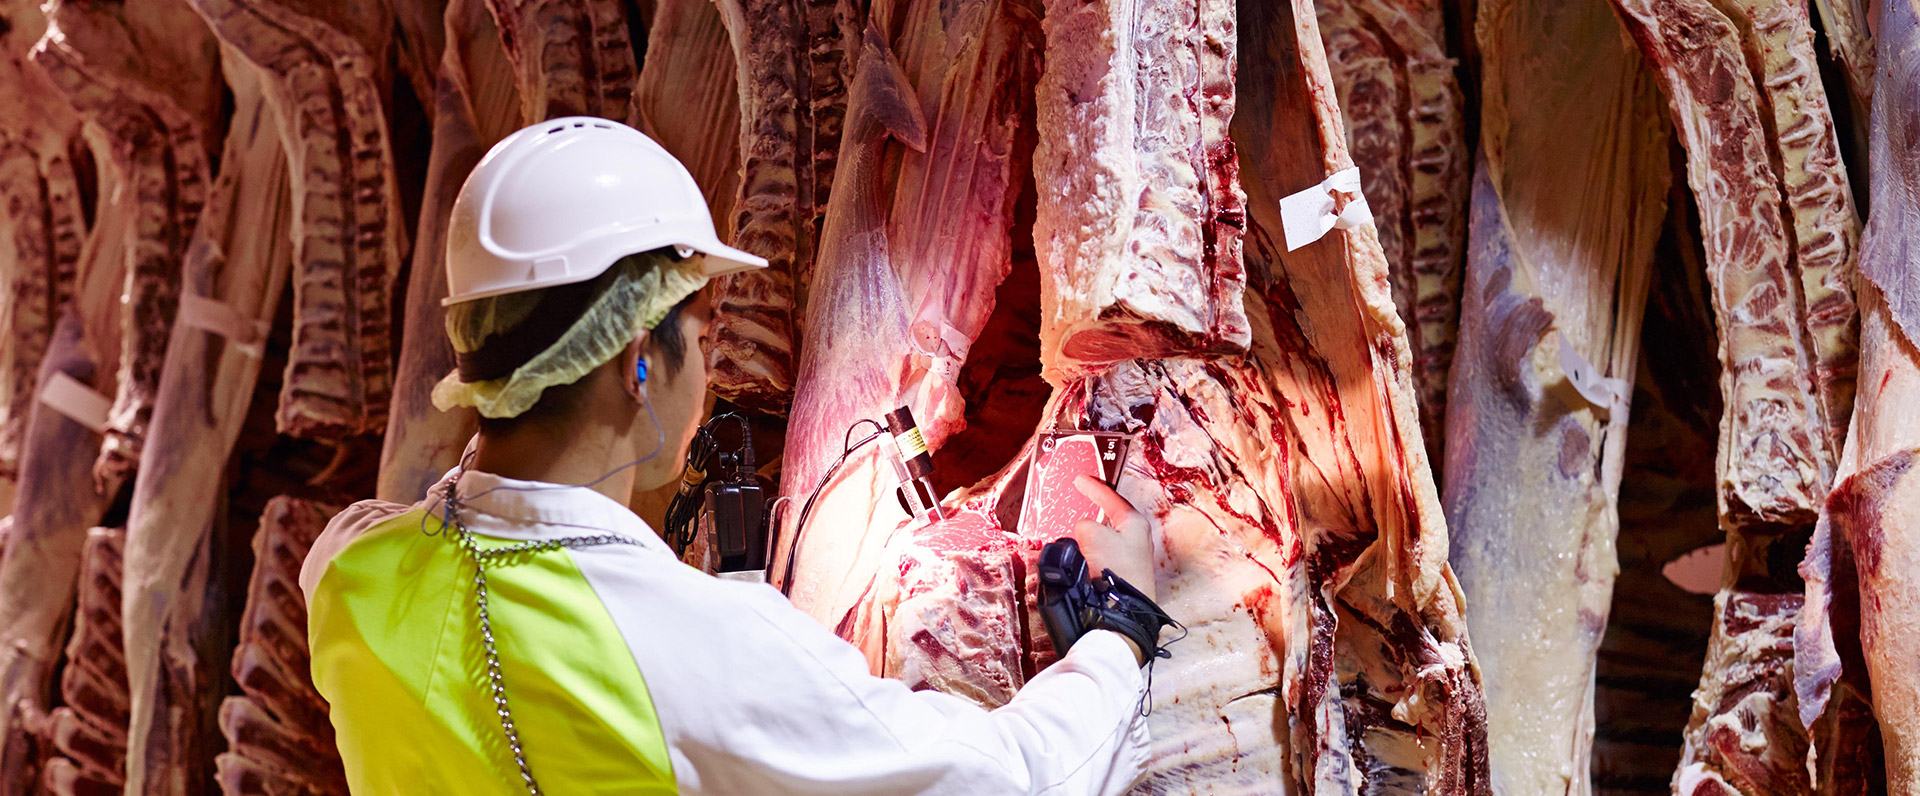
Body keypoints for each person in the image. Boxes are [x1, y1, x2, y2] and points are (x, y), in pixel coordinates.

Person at [301, 117, 1169, 796]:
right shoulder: (672, 645)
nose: (710, 357)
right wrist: (1118, 634)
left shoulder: (351, 570)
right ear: (636, 361)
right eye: (698, 326)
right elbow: (1007, 780)